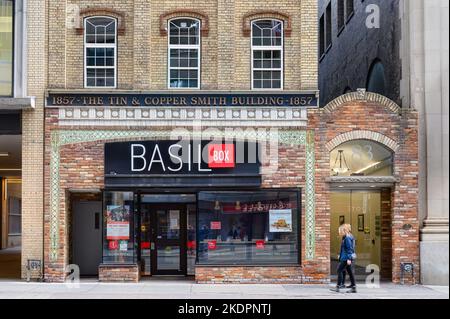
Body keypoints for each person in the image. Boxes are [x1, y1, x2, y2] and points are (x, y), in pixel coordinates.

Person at [330, 224, 357, 293]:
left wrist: (349, 259)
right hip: (344, 257)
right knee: (350, 272)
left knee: (339, 270)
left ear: (343, 230)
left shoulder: (347, 238)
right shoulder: (345, 237)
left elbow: (349, 249)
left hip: (346, 258)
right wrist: (340, 255)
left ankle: (338, 286)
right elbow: (344, 249)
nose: (339, 232)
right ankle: (353, 287)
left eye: (340, 230)